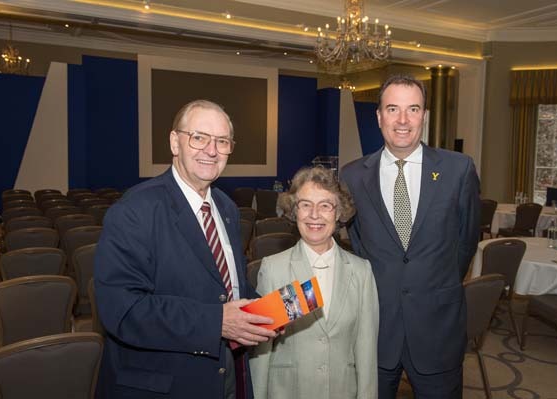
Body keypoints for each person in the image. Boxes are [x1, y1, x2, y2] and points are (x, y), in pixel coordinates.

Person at [94, 100, 276, 399]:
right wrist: (216, 322)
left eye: (222, 141)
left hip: (224, 376)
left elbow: (227, 287)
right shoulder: (135, 210)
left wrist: (262, 314)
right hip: (164, 385)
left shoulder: (227, 208)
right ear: (174, 142)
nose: (212, 150)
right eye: (199, 137)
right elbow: (122, 311)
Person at [340, 74, 480, 398]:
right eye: (392, 109)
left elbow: (467, 241)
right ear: (379, 117)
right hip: (375, 330)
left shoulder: (459, 170)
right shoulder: (352, 175)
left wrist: (435, 282)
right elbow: (358, 244)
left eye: (413, 109)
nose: (402, 120)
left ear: (424, 116)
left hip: (437, 328)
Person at [250, 166, 379, 399]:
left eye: (325, 205)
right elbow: (261, 351)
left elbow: (366, 349)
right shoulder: (272, 268)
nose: (314, 215)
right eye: (305, 204)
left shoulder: (362, 272)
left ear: (339, 213)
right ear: (293, 211)